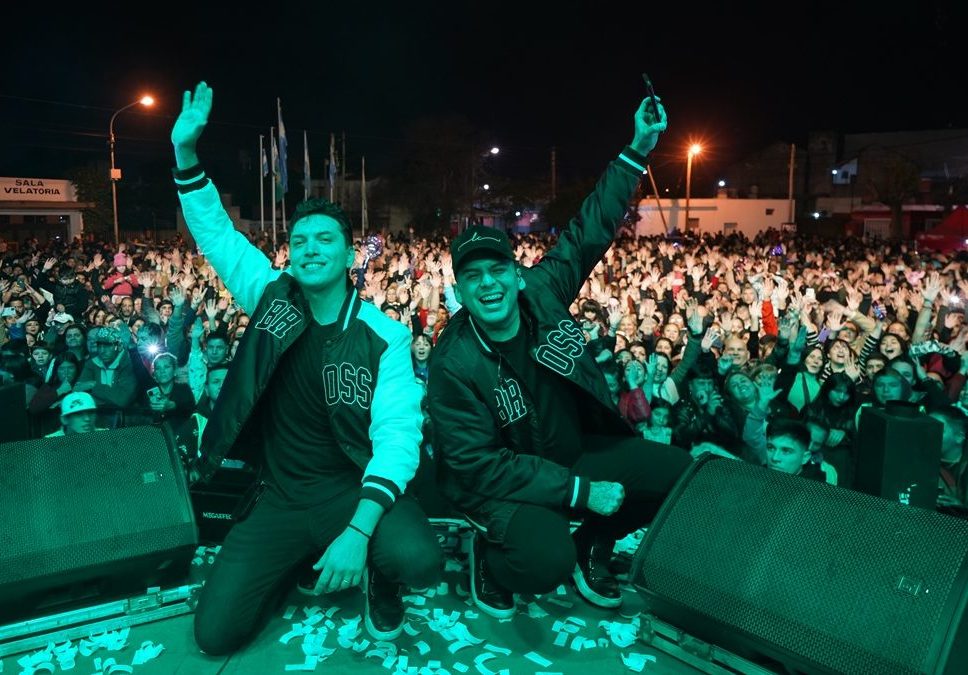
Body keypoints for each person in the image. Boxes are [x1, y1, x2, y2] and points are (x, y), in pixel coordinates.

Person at [170, 81, 440, 655]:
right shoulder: (271, 297)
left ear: (348, 254)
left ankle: (377, 574)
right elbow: (218, 235)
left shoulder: (385, 335)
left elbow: (398, 438)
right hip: (280, 497)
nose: (311, 248)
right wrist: (186, 155)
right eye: (300, 240)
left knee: (417, 558)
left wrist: (359, 531)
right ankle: (297, 560)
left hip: (351, 490)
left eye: (325, 239)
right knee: (216, 635)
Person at [427, 92, 691, 618]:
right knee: (544, 563)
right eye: (473, 277)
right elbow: (479, 465)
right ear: (459, 291)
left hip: (572, 451)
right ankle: (490, 554)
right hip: (498, 485)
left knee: (679, 474)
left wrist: (638, 149)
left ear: (517, 274)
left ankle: (593, 542)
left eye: (497, 271)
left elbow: (589, 232)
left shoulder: (543, 292)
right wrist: (577, 491)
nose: (488, 284)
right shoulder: (453, 362)